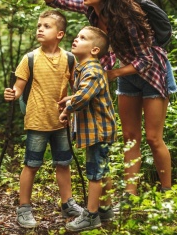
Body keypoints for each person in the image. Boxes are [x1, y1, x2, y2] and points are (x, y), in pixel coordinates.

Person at [22, 0, 177, 198]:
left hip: (154, 72)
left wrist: (111, 73)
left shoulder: (126, 17)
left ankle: (167, 193)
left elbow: (147, 59)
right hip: (127, 71)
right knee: (130, 136)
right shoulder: (91, 10)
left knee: (153, 137)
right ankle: (130, 196)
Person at [4, 10, 82, 229]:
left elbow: (77, 88)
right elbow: (18, 89)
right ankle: (24, 208)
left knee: (63, 163)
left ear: (60, 34)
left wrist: (74, 105)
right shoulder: (29, 59)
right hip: (37, 121)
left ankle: (68, 203)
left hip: (61, 121)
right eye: (39, 25)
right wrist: (12, 93)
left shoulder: (70, 58)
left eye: (46, 26)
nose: (40, 29)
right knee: (31, 164)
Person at [58, 26, 117, 232]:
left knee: (95, 173)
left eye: (82, 38)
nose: (76, 39)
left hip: (98, 132)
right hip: (96, 131)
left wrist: (68, 105)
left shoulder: (92, 70)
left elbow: (82, 98)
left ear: (94, 50)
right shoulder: (83, 69)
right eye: (77, 36)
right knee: (102, 170)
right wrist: (68, 108)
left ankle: (92, 216)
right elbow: (81, 97)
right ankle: (106, 209)